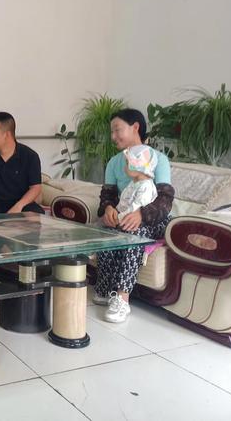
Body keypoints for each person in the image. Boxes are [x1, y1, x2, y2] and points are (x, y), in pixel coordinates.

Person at [94, 109, 175, 323]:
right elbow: (107, 196)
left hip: (155, 219)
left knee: (134, 233)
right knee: (106, 230)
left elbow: (165, 200)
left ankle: (122, 299)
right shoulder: (114, 162)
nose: (113, 136)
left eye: (117, 130)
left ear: (135, 127)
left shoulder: (158, 160)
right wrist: (108, 209)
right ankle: (105, 289)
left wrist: (141, 214)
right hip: (126, 214)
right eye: (111, 132)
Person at [0, 112, 44, 215]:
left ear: (7, 135)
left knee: (36, 215)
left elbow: (36, 188)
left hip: (20, 204)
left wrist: (18, 207)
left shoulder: (30, 156)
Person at [116, 145, 158, 221]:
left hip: (135, 222)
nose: (124, 167)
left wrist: (118, 218)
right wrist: (116, 212)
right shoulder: (134, 182)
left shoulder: (146, 186)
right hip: (124, 218)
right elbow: (124, 201)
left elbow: (136, 208)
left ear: (139, 167)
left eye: (127, 163)